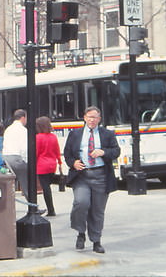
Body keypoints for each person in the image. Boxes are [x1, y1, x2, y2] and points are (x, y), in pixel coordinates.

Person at [63, 106, 120, 254]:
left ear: (99, 119)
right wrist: (73, 163)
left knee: (97, 211)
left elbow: (116, 151)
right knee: (81, 203)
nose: (92, 120)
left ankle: (96, 241)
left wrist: (104, 152)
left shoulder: (107, 134)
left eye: (95, 117)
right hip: (82, 175)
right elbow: (67, 153)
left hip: (101, 175)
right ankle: (80, 232)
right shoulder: (75, 134)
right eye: (89, 117)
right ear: (84, 117)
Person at [34, 116, 60, 217]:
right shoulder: (53, 137)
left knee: (45, 188)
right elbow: (57, 151)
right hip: (52, 165)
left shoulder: (38, 137)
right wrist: (60, 163)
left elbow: (36, 152)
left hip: (41, 165)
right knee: (48, 186)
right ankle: (51, 209)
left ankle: (51, 210)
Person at [2, 109, 29, 197]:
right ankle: (33, 206)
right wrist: (26, 161)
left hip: (6, 158)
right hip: (17, 158)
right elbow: (24, 148)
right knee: (26, 183)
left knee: (9, 184)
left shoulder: (8, 129)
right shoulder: (23, 130)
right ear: (23, 118)